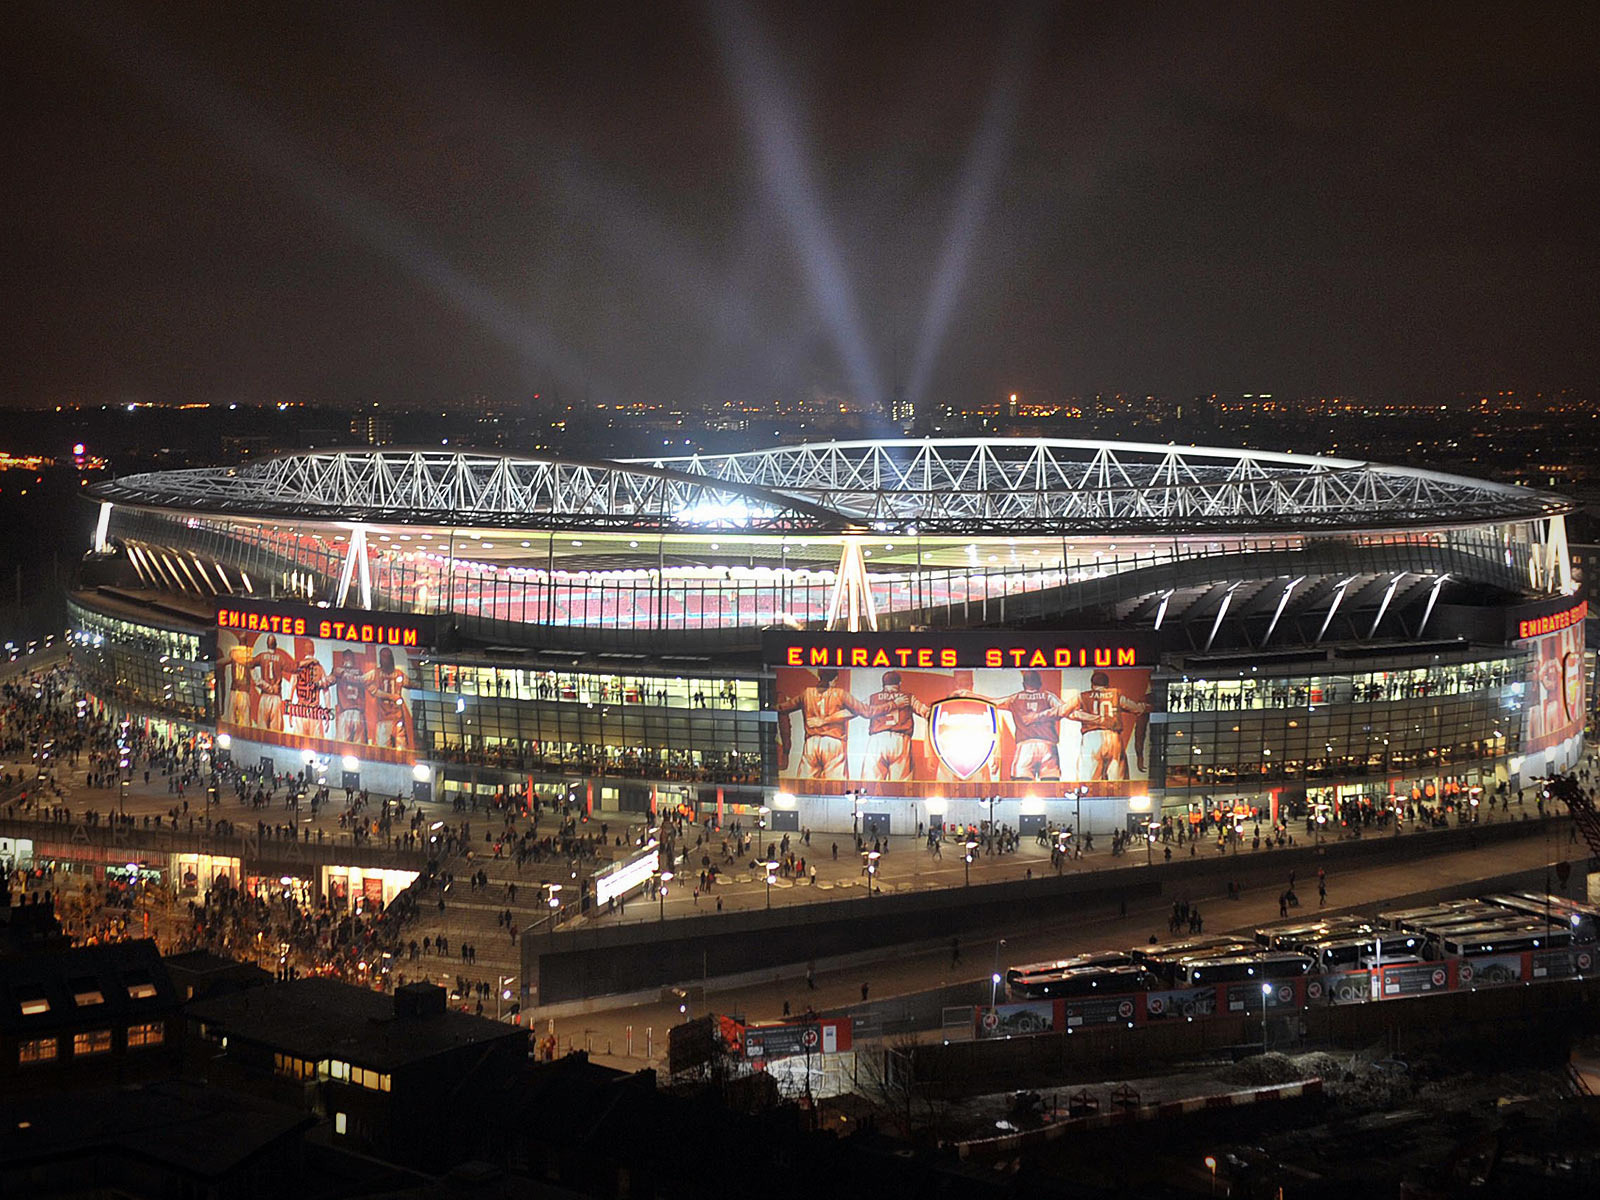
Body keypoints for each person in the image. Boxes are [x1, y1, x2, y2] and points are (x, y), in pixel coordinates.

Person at [955, 670, 1078, 781]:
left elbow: (994, 702)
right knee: (1050, 785)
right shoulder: (1048, 696)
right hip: (1048, 747)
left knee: (1021, 786)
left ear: (1024, 684)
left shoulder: (1015, 698)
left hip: (1025, 747)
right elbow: (1066, 711)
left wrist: (971, 695)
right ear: (1039, 683)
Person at [776, 669, 872, 779]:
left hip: (811, 743)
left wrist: (769, 706)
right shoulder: (840, 694)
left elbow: (782, 707)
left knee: (804, 786)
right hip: (834, 742)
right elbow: (863, 711)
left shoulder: (807, 693)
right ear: (835, 679)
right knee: (836, 787)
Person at [1066, 670, 1151, 781]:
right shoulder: (1116, 695)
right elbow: (1137, 708)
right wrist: (1149, 706)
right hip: (1113, 736)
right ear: (1107, 684)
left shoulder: (1083, 696)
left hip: (1091, 737)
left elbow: (1066, 711)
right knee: (1117, 779)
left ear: (1092, 684)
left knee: (1090, 782)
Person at [863, 671, 929, 781]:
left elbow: (858, 710)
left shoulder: (872, 698)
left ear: (883, 684)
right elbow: (925, 711)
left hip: (877, 740)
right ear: (899, 683)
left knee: (870, 784)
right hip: (900, 740)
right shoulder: (908, 697)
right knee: (900, 786)